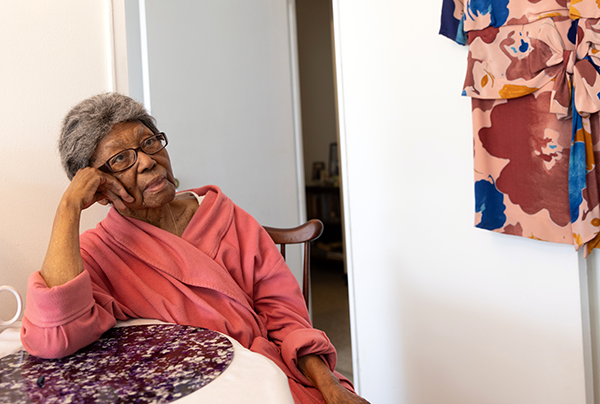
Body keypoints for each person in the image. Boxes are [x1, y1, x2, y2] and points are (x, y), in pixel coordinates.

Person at [20, 93, 369, 404]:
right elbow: (53, 338)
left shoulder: (225, 216)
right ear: (97, 187)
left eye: (150, 142)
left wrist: (330, 388)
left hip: (272, 373)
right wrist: (67, 209)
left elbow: (285, 316)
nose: (147, 161)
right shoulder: (100, 253)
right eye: (122, 159)